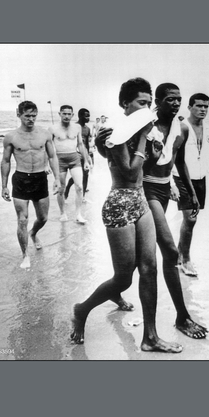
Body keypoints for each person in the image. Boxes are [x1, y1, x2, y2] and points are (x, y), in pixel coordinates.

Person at [70, 77, 182, 352]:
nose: (147, 109)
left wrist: (154, 146)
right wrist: (145, 136)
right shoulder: (114, 132)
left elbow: (149, 165)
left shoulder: (142, 130)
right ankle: (81, 310)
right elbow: (131, 171)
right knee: (123, 278)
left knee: (150, 268)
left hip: (140, 200)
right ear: (125, 104)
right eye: (141, 103)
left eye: (148, 103)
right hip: (119, 204)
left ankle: (150, 337)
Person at [96, 82, 208, 339]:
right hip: (145, 192)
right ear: (158, 102)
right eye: (170, 99)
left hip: (164, 189)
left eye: (179, 99)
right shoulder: (145, 125)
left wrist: (188, 190)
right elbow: (118, 158)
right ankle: (182, 317)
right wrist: (100, 144)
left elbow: (178, 162)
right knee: (169, 251)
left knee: (141, 262)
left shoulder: (181, 128)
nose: (176, 103)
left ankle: (118, 292)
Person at [171, 93, 209, 276]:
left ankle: (179, 255)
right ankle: (186, 260)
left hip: (200, 180)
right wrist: (170, 183)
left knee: (190, 221)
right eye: (199, 106)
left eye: (206, 106)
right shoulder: (180, 128)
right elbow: (170, 157)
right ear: (189, 107)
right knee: (190, 219)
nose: (203, 109)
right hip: (180, 178)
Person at [1, 101, 62, 269]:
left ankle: (33, 233)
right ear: (18, 114)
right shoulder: (11, 137)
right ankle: (25, 254)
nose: (31, 119)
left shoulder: (44, 134)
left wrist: (57, 179)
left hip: (40, 179)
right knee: (22, 220)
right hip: (21, 179)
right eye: (27, 115)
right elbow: (5, 161)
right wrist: (4, 185)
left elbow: (52, 157)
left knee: (43, 218)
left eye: (34, 115)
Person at [49, 105, 90, 223]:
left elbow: (80, 145)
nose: (66, 116)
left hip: (74, 158)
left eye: (69, 114)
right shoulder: (52, 129)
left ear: (72, 115)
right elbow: (49, 149)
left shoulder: (77, 127)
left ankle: (78, 214)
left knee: (80, 187)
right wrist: (47, 165)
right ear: (59, 114)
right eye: (64, 113)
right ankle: (62, 213)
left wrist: (86, 160)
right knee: (61, 189)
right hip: (59, 160)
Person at [64, 108, 93, 201]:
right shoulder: (74, 127)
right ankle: (67, 188)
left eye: (89, 116)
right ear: (80, 116)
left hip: (84, 155)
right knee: (76, 176)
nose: (88, 118)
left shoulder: (87, 129)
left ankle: (83, 196)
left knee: (86, 175)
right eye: (86, 115)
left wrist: (87, 157)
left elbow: (87, 144)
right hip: (75, 155)